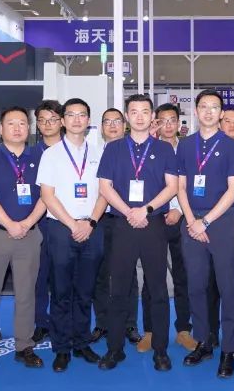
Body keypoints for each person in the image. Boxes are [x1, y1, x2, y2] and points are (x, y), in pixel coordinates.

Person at [96, 94, 180, 372]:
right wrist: (129, 212)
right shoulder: (114, 148)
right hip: (122, 224)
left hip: (154, 224)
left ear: (152, 116)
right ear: (127, 117)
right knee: (118, 289)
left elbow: (172, 186)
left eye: (145, 111)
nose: (140, 116)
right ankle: (115, 349)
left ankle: (161, 350)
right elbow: (105, 187)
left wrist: (146, 209)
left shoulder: (164, 149)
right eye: (134, 111)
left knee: (158, 289)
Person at [0, 106, 48, 374]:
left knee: (27, 292)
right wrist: (10, 224)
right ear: (1, 129)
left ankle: (24, 345)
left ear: (29, 128)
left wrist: (26, 224)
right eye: (11, 123)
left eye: (22, 123)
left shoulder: (39, 157)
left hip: (29, 234)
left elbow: (47, 196)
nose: (17, 128)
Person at [176, 89, 234, 379]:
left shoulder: (231, 146)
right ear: (196, 111)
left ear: (221, 113)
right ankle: (203, 341)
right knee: (196, 285)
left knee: (228, 286)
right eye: (203, 106)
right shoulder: (185, 145)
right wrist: (192, 220)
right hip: (191, 221)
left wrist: (206, 221)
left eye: (214, 107)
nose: (208, 111)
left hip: (221, 221)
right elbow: (180, 187)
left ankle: (229, 347)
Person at [38, 98, 107, 372]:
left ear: (88, 120)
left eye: (82, 115)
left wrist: (90, 222)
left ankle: (81, 342)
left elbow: (105, 192)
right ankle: (61, 347)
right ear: (63, 120)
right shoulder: (51, 154)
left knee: (85, 290)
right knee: (61, 290)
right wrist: (72, 224)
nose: (77, 119)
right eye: (71, 115)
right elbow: (47, 195)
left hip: (92, 227)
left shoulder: (99, 152)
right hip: (60, 228)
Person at [140, 103, 195, 353]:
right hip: (154, 220)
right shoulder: (147, 149)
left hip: (183, 220)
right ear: (156, 123)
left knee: (184, 277)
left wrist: (179, 210)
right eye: (162, 120)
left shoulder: (188, 149)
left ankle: (184, 330)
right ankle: (150, 331)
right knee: (152, 278)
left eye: (173, 120)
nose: (168, 125)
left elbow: (192, 186)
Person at [91, 108, 141, 346]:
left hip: (125, 218)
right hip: (99, 219)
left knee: (128, 272)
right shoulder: (91, 153)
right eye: (107, 122)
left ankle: (130, 323)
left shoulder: (134, 153)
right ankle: (102, 322)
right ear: (101, 127)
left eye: (117, 121)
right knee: (100, 272)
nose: (112, 125)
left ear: (125, 125)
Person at [31, 99, 63, 344]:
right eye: (42, 120)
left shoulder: (73, 150)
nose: (47, 124)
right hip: (37, 223)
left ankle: (63, 322)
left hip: (66, 223)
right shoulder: (31, 153)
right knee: (39, 276)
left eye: (52, 119)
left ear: (61, 121)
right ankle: (40, 322)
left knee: (64, 277)